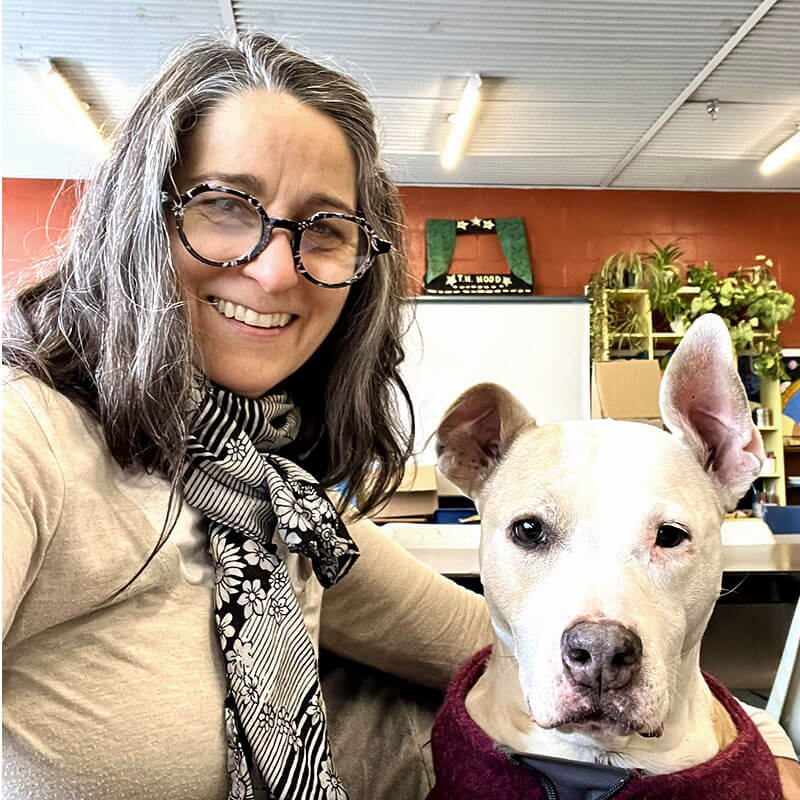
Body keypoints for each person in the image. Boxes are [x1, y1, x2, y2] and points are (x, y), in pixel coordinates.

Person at [1, 31, 798, 800]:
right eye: (224, 205)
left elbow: (494, 638)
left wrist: (735, 750)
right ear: (136, 216)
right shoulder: (25, 440)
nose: (277, 269)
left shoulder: (274, 498)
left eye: (325, 228)